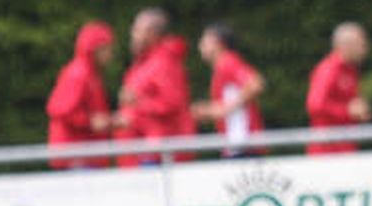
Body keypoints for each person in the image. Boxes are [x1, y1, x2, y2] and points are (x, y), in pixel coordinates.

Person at [114, 8, 192, 166]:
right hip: (142, 151)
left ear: (152, 34)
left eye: (137, 29)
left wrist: (136, 103)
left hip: (158, 153)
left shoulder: (164, 63)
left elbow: (171, 103)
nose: (132, 34)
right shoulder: (144, 63)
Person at [46, 21, 115, 169]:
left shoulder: (89, 73)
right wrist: (90, 122)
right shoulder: (79, 74)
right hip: (77, 157)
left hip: (83, 155)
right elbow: (60, 110)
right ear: (95, 49)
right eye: (107, 48)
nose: (110, 54)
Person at [192, 23, 266, 155]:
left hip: (243, 145)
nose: (200, 46)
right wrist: (209, 110)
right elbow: (232, 101)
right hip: (237, 145)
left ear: (218, 43)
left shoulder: (228, 62)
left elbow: (256, 84)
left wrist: (223, 109)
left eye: (204, 41)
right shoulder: (222, 66)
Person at [306, 22, 372, 155]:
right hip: (327, 150)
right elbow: (314, 105)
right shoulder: (329, 69)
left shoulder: (351, 70)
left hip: (345, 146)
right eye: (361, 44)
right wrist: (347, 111)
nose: (365, 49)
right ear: (346, 45)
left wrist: (359, 112)